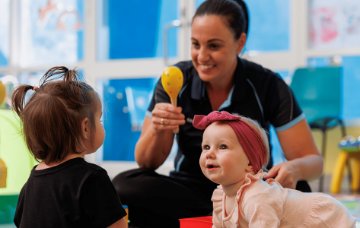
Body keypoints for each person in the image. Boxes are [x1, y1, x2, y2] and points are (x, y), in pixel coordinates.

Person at [112, 0, 323, 227]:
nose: (202, 56)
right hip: (191, 191)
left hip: (253, 192)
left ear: (239, 42)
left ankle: (217, 218)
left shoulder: (267, 84)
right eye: (195, 44)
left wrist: (293, 168)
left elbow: (313, 161)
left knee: (301, 188)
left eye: (213, 46)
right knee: (125, 184)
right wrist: (158, 127)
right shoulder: (174, 81)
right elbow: (146, 162)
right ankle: (220, 217)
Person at [194, 111, 356, 227]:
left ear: (250, 163)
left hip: (327, 220)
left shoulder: (257, 197)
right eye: (206, 146)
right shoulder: (220, 195)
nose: (210, 153)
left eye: (222, 146)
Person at [12, 66, 128, 228]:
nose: (102, 125)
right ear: (85, 127)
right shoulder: (92, 179)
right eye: (99, 120)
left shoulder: (30, 184)